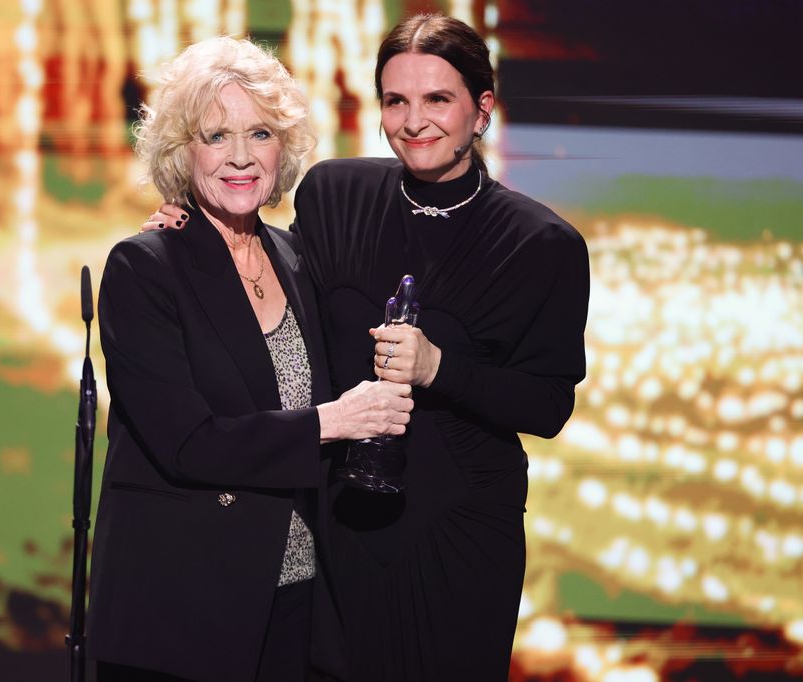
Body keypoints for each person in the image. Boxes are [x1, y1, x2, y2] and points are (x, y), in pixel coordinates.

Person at [145, 14, 589, 681]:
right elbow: (270, 274)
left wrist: (440, 368)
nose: (414, 121)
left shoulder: (540, 245)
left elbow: (548, 403)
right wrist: (190, 231)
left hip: (458, 533)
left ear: (482, 109)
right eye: (396, 100)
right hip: (339, 524)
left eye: (438, 99)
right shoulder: (334, 194)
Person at [88, 37, 414, 682]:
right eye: (215, 136)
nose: (240, 156)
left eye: (260, 132)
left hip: (293, 598)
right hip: (185, 608)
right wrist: (331, 421)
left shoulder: (295, 258)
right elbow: (189, 443)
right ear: (182, 153)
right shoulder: (146, 267)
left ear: (283, 148)